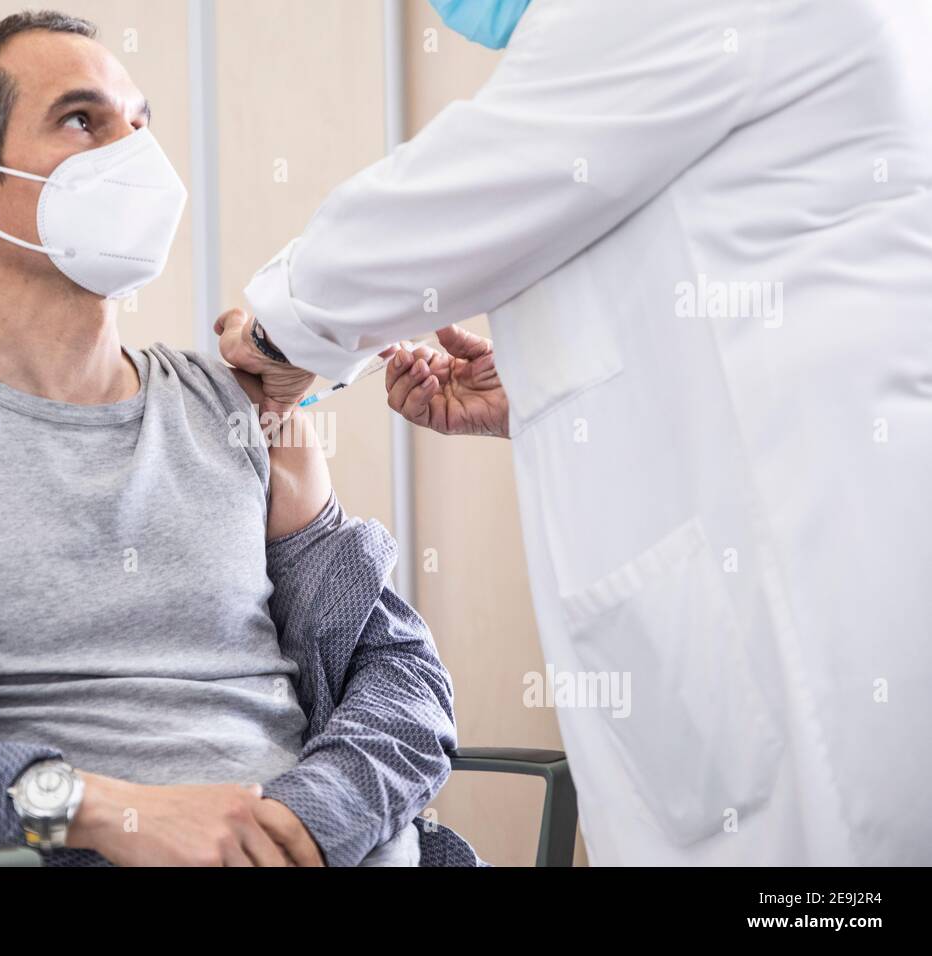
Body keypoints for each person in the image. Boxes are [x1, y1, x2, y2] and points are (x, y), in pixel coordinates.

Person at [0, 11, 478, 868]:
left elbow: (402, 680)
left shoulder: (245, 410)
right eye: (83, 120)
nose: (137, 154)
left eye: (139, 122)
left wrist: (304, 821)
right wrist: (84, 806)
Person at [217, 0, 932, 864]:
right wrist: (555, 399)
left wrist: (275, 333)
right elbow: (701, 291)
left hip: (834, 585)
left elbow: (466, 193)